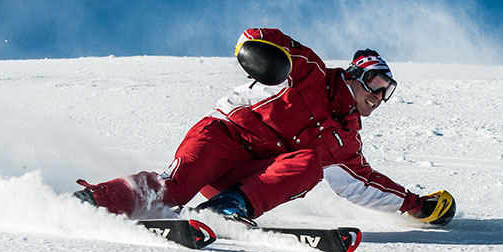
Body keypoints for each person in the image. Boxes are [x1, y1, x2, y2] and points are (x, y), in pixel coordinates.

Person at [74, 28, 455, 226]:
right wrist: (262, 57)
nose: (379, 96)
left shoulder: (346, 140)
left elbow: (364, 185)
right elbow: (259, 36)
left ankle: (227, 209)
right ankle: (98, 201)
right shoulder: (310, 72)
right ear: (356, 76)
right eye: (376, 84)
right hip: (222, 138)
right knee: (175, 188)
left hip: (245, 179)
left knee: (309, 164)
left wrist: (416, 205)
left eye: (386, 92)